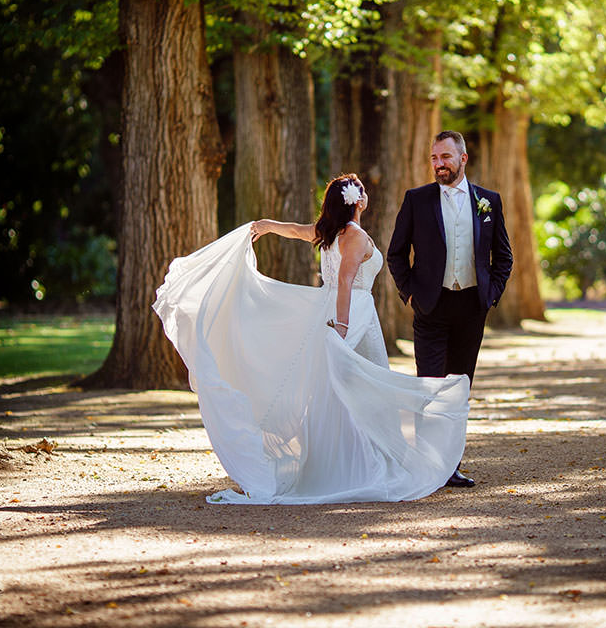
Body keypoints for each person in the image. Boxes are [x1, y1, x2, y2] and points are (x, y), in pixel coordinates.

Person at [152, 174, 470, 504]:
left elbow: (294, 230)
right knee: (367, 386)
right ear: (359, 201)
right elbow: (346, 281)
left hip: (334, 309)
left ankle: (366, 460)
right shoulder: (356, 236)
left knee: (348, 386)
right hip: (352, 312)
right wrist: (343, 327)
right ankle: (362, 466)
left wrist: (266, 224)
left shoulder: (329, 233)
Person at [387, 131, 513, 487]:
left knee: (459, 387)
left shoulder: (488, 202)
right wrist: (410, 293)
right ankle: (428, 467)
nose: (439, 164)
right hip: (431, 305)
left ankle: (451, 466)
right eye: (434, 158)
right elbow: (396, 254)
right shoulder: (417, 200)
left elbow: (503, 256)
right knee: (429, 386)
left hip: (471, 307)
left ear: (463, 158)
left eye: (445, 157)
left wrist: (491, 295)